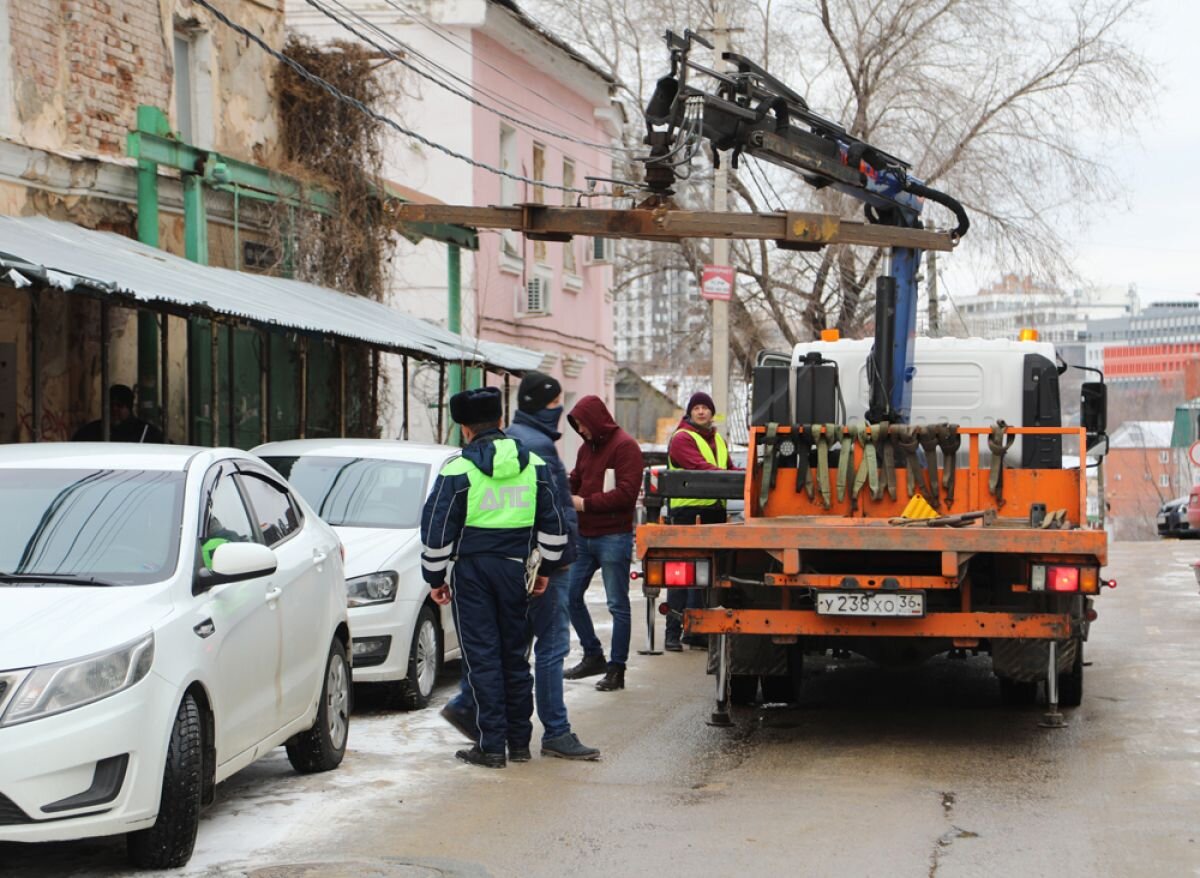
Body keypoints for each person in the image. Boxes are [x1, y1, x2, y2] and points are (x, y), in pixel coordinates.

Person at [440, 372, 600, 761]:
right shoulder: (533, 448)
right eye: (553, 403)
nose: (559, 410)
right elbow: (550, 514)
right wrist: (549, 565)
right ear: (535, 403)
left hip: (512, 565)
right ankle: (544, 734)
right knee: (542, 650)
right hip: (534, 566)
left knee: (501, 650)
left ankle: (495, 728)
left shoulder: (515, 442)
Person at [420, 386, 569, 769]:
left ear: (465, 430)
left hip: (473, 573)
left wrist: (435, 577)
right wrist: (546, 569)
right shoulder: (533, 464)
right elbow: (554, 523)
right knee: (516, 657)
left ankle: (490, 746)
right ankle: (519, 743)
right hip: (517, 568)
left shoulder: (458, 469)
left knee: (483, 659)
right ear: (502, 422)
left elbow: (437, 530)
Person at [562, 395, 642, 692]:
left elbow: (626, 494)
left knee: (617, 605)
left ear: (595, 420)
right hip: (584, 537)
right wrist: (559, 490)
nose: (580, 430)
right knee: (570, 596)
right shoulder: (586, 449)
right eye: (577, 426)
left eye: (583, 424)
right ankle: (593, 654)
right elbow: (574, 480)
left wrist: (584, 504)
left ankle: (616, 669)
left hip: (613, 536)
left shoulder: (625, 447)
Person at [663, 391, 740, 652]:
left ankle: (694, 631)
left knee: (704, 575)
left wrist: (748, 475)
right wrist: (729, 477)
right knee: (680, 574)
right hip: (687, 513)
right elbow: (699, 467)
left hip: (713, 514)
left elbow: (728, 467)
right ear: (689, 412)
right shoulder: (682, 438)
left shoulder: (717, 438)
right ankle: (672, 632)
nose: (701, 412)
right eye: (696, 408)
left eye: (705, 407)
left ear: (711, 412)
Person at [72, 384, 164, 443]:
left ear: (129, 408)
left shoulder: (147, 433)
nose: (114, 409)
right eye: (110, 405)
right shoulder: (90, 432)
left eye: (119, 405)